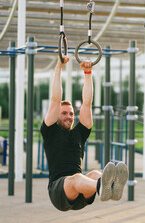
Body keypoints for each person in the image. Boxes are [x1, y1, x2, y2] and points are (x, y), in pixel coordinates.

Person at [40, 56, 129, 211]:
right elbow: (56, 99)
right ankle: (104, 186)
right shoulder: (50, 131)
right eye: (64, 113)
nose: (69, 116)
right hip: (59, 192)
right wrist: (59, 67)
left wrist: (88, 73)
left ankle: (108, 187)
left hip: (81, 195)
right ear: (56, 115)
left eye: (71, 114)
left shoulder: (80, 133)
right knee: (77, 178)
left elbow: (87, 104)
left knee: (95, 173)